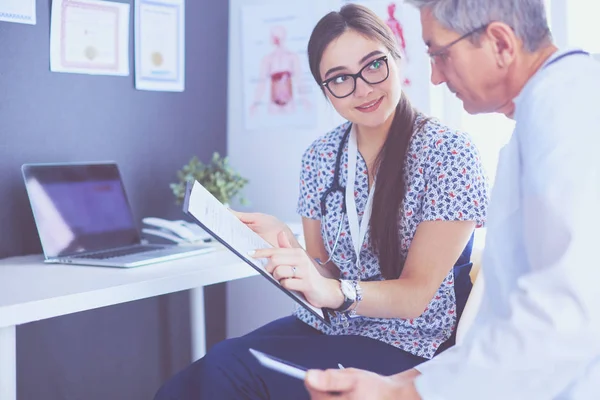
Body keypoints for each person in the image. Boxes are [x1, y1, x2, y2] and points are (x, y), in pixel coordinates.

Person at [154, 4, 488, 399]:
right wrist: (285, 242)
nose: (362, 88)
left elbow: (415, 297)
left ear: (395, 57)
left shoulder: (449, 153)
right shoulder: (320, 157)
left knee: (230, 372)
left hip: (412, 342)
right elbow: (325, 274)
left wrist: (334, 293)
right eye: (340, 79)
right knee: (196, 379)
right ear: (325, 90)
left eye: (373, 66)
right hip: (332, 325)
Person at [304, 0, 600, 399]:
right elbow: (503, 328)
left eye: (441, 54)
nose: (436, 76)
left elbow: (565, 315)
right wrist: (399, 386)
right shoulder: (543, 116)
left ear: (500, 42)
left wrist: (403, 393)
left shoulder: (570, 115)